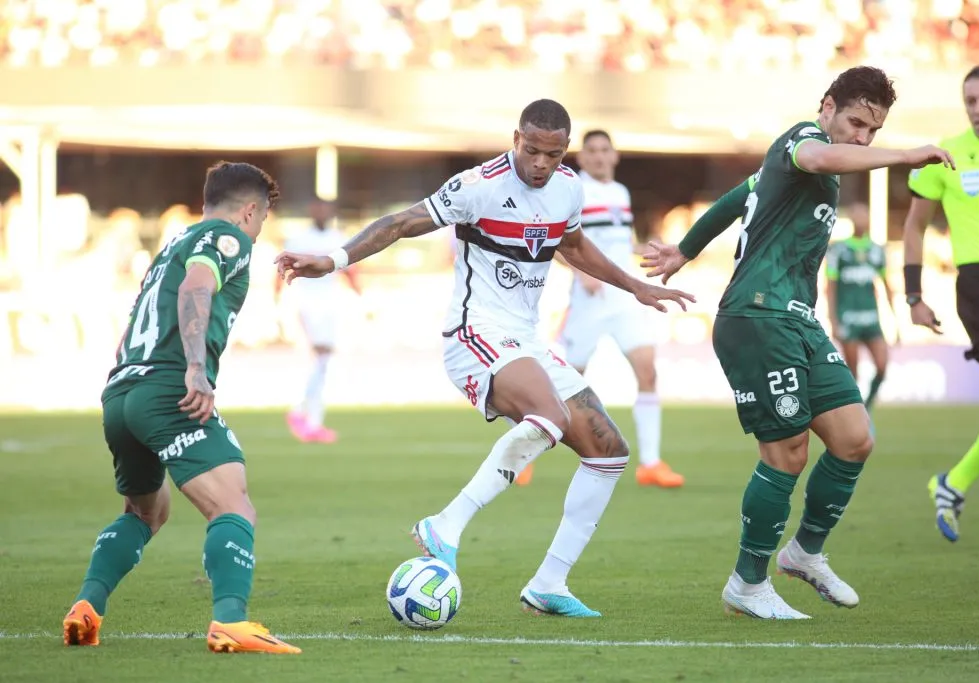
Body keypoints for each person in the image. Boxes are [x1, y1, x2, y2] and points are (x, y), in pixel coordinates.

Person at [276, 99, 693, 617]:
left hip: (525, 340)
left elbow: (574, 246)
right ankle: (445, 524)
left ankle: (549, 584)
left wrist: (634, 287)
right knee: (552, 417)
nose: (542, 163)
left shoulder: (567, 186)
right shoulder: (479, 185)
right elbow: (402, 223)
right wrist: (333, 259)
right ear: (516, 138)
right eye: (533, 151)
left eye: (554, 153)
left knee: (608, 450)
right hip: (474, 335)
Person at [642, 66, 953, 619]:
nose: (862, 138)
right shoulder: (802, 142)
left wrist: (684, 250)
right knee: (786, 453)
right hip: (756, 316)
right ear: (827, 106)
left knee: (855, 438)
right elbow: (817, 157)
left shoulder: (800, 168)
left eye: (873, 131)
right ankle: (748, 583)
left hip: (797, 319)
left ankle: (805, 552)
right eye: (856, 122)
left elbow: (738, 196)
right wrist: (904, 155)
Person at [62, 162, 300, 654]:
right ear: (250, 210)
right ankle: (231, 621)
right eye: (261, 220)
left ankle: (87, 606)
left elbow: (134, 325)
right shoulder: (226, 239)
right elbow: (197, 288)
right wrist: (194, 369)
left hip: (122, 390)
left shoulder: (174, 243)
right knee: (233, 504)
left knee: (147, 513)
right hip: (169, 388)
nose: (258, 231)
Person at [517, 130, 682, 489]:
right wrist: (579, 271)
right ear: (581, 157)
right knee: (562, 382)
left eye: (605, 150)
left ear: (615, 155)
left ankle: (651, 463)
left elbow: (615, 245)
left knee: (647, 372)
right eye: (591, 151)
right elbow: (550, 239)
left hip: (622, 300)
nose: (599, 157)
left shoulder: (620, 194)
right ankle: (522, 455)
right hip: (588, 301)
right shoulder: (572, 190)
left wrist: (645, 252)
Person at [903, 65, 979, 547]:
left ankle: (951, 484)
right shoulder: (944, 155)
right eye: (971, 100)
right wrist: (913, 294)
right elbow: (914, 227)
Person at [278, 199, 361, 444]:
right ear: (311, 211)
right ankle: (303, 414)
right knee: (320, 357)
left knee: (323, 361)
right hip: (306, 302)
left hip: (331, 303)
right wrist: (279, 301)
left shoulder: (338, 238)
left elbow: (350, 269)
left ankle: (308, 416)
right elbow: (281, 270)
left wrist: (360, 296)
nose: (322, 213)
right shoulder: (299, 239)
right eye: (318, 208)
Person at [825, 201, 900, 412]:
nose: (861, 219)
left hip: (871, 319)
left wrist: (896, 323)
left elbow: (887, 287)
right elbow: (829, 288)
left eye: (864, 215)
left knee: (882, 367)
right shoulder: (839, 250)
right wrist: (833, 321)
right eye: (857, 215)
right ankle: (853, 413)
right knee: (853, 373)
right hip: (848, 318)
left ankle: (866, 408)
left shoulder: (877, 251)